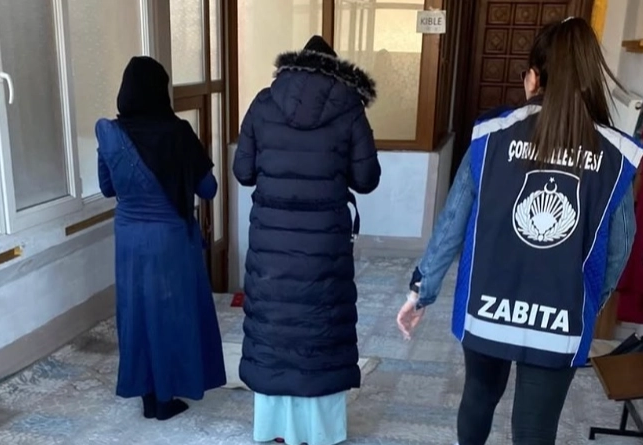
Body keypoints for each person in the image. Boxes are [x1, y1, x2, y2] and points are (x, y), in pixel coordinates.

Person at [396, 18, 641, 445]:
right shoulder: (615, 154)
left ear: (533, 77)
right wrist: (589, 301)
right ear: (589, 80)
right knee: (534, 430)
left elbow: (453, 219)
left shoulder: (491, 135)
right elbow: (621, 245)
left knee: (478, 397)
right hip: (562, 314)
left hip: (488, 305)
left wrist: (422, 290)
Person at [233, 35, 381, 445]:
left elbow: (243, 172)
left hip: (271, 242)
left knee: (275, 326)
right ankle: (319, 432)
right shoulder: (348, 106)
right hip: (324, 244)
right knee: (320, 325)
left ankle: (275, 428)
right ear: (333, 68)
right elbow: (367, 178)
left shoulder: (264, 103)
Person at [96, 56, 226, 421]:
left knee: (137, 312)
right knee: (172, 312)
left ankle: (148, 396)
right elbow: (209, 188)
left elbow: (107, 188)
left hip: (129, 239)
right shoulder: (178, 133)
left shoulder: (109, 133)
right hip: (171, 240)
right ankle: (168, 397)